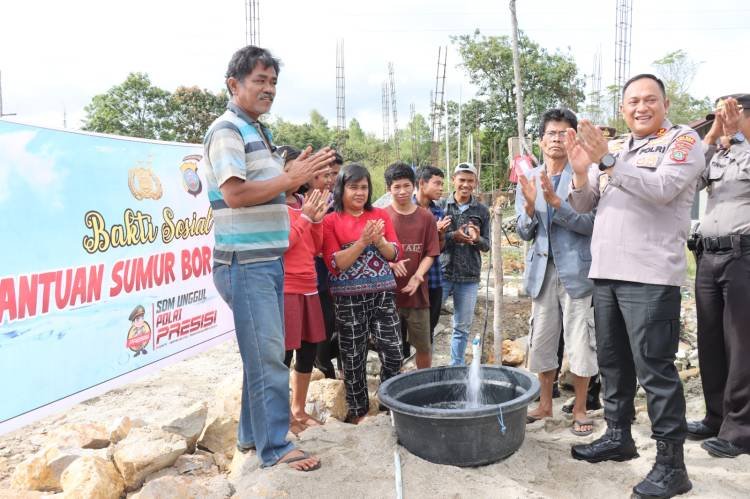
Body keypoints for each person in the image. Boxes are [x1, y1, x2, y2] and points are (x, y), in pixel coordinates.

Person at [565, 74, 705, 498]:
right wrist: (579, 172)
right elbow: (585, 205)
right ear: (623, 108)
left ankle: (671, 466)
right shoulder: (621, 147)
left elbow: (663, 190)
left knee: (655, 371)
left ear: (665, 103)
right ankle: (618, 436)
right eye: (632, 102)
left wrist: (606, 162)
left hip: (648, 275)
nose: (640, 108)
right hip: (607, 271)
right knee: (613, 364)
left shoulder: (681, 141)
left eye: (649, 100)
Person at [203, 45, 334, 471]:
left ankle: (250, 436)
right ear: (233, 84)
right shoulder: (227, 130)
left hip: (264, 260)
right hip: (245, 262)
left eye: (273, 82)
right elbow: (235, 194)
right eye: (259, 80)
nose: (269, 89)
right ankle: (275, 447)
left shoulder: (255, 130)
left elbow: (264, 190)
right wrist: (290, 177)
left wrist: (293, 182)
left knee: (260, 353)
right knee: (269, 355)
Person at [515, 108, 597, 437]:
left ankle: (579, 408)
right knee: (543, 339)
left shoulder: (585, 175)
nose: (558, 139)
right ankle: (545, 403)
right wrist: (532, 209)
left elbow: (590, 224)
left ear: (573, 138)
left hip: (577, 271)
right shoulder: (529, 178)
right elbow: (523, 231)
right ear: (541, 140)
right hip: (542, 271)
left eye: (565, 133)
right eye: (552, 133)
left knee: (580, 340)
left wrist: (557, 204)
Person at [688, 94, 750, 459]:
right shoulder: (722, 152)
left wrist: (739, 137)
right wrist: (712, 136)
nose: (727, 120)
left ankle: (741, 431)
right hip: (708, 255)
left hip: (743, 255)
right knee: (710, 340)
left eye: (734, 114)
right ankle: (716, 417)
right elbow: (691, 181)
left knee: (741, 345)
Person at [322, 163, 403, 423]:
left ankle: (388, 403)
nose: (360, 192)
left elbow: (396, 253)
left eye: (364, 187)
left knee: (393, 351)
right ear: (341, 188)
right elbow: (335, 264)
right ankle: (358, 411)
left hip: (383, 295)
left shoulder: (380, 214)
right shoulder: (330, 219)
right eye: (353, 187)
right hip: (348, 300)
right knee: (353, 356)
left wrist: (379, 241)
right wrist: (362, 243)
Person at [281, 153, 330, 433]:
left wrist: (317, 220)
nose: (299, 175)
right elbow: (283, 244)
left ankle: (299, 409)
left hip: (309, 284)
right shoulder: (271, 204)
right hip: (286, 286)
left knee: (308, 348)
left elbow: (316, 248)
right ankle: (283, 414)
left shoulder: (303, 203)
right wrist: (305, 220)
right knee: (284, 353)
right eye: (292, 169)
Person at [384, 162, 441, 369]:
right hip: (388, 296)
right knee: (391, 347)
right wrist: (390, 264)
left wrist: (418, 275)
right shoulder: (382, 216)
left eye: (406, 186)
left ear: (414, 185)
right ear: (388, 189)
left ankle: (423, 387)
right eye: (396, 187)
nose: (402, 191)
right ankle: (393, 388)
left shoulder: (426, 217)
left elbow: (431, 252)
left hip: (418, 296)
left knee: (424, 346)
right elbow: (373, 253)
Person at [440, 163, 490, 366]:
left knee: (461, 327)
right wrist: (454, 236)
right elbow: (434, 239)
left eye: (470, 181)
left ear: (475, 183)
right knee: (429, 323)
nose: (466, 185)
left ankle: (456, 366)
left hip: (469, 276)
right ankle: (426, 371)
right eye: (462, 180)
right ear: (454, 180)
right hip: (442, 272)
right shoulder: (442, 206)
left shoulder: (481, 210)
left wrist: (477, 239)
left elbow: (487, 246)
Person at [313, 153, 344, 379]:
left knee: (337, 327)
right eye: (328, 174)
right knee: (319, 331)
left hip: (337, 279)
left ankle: (337, 374)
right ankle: (323, 374)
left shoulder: (342, 201)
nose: (332, 179)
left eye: (336, 174)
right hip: (315, 278)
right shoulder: (308, 201)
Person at [414, 166, 452, 345]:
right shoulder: (407, 210)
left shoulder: (438, 212)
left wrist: (441, 235)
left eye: (442, 184)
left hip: (434, 279)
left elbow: (440, 249)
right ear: (422, 183)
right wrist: (430, 231)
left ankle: (424, 370)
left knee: (428, 330)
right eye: (436, 183)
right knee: (404, 331)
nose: (440, 188)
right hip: (410, 279)